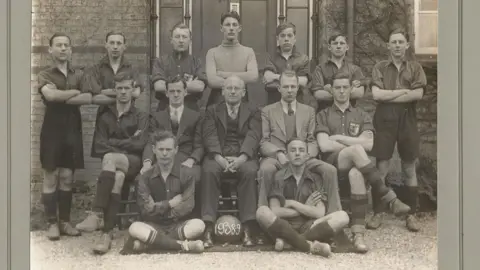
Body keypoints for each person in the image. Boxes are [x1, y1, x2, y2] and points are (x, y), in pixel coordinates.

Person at [316, 72, 411, 252]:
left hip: (356, 166)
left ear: (352, 90)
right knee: (356, 149)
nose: (342, 91)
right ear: (331, 91)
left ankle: (358, 235)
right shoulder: (323, 114)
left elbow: (369, 144)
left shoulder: (361, 114)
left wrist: (339, 137)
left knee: (357, 173)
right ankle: (389, 197)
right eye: (338, 88)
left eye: (345, 87)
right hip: (332, 165)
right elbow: (324, 145)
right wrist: (353, 142)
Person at [78, 71, 149, 255]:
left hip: (134, 162)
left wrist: (114, 144)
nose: (124, 92)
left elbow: (140, 144)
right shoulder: (105, 116)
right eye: (120, 88)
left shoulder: (140, 116)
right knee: (117, 177)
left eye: (127, 88)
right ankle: (107, 234)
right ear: (114, 91)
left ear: (133, 90)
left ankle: (96, 213)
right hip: (115, 165)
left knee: (110, 158)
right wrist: (126, 142)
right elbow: (98, 146)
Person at [367, 28, 427, 232]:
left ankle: (411, 215)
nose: (397, 45)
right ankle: (378, 213)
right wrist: (402, 91)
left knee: (409, 168)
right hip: (384, 119)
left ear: (407, 45)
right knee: (381, 167)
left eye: (401, 42)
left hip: (407, 119)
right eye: (394, 42)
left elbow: (417, 94)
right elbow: (377, 95)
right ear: (388, 45)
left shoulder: (415, 67)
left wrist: (390, 94)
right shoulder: (380, 67)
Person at [258, 71, 342, 216]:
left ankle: (333, 215)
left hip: (303, 156)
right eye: (285, 87)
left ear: (298, 88)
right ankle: (265, 216)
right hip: (278, 158)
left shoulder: (308, 111)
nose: (289, 90)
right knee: (266, 170)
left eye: (292, 86)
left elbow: (311, 140)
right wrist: (278, 153)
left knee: (330, 170)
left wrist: (307, 154)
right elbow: (264, 142)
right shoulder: (268, 111)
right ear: (279, 88)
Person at [36, 33, 92, 240]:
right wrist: (73, 93)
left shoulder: (78, 74)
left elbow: (88, 97)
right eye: (58, 45)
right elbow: (50, 96)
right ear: (50, 50)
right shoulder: (45, 74)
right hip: (52, 131)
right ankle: (51, 223)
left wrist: (62, 95)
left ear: (71, 50)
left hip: (72, 130)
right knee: (51, 176)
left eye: (66, 45)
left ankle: (65, 222)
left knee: (67, 177)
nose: (62, 48)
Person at [256, 138, 350, 258]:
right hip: (284, 225)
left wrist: (294, 203)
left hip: (310, 226)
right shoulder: (279, 177)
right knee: (262, 212)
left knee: (342, 216)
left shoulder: (315, 178)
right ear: (287, 155)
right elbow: (275, 211)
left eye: (301, 150)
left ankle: (289, 242)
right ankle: (309, 246)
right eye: (293, 150)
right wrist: (306, 207)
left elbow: (319, 213)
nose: (297, 153)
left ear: (307, 155)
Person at [120, 130, 205, 255]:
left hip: (178, 225)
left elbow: (187, 206)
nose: (164, 153)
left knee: (199, 225)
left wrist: (159, 209)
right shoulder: (145, 176)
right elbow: (146, 209)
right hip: (153, 225)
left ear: (176, 150)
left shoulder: (187, 174)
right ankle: (183, 246)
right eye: (161, 149)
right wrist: (170, 203)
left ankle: (151, 244)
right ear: (154, 149)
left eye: (168, 149)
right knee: (135, 228)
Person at [201, 75, 261, 248]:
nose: (233, 91)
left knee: (250, 172)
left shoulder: (254, 110)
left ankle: (248, 227)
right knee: (209, 170)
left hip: (243, 157)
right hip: (217, 156)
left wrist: (242, 158)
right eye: (229, 88)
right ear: (222, 91)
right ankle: (208, 227)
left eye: (237, 88)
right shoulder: (212, 110)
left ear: (243, 92)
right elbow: (209, 135)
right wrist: (219, 158)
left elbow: (254, 135)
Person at [141, 76, 205, 217]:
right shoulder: (157, 117)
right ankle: (156, 215)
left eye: (179, 91)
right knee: (148, 175)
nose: (175, 95)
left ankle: (194, 216)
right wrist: (147, 162)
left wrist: (192, 160)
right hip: (163, 157)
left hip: (186, 158)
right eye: (172, 91)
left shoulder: (196, 116)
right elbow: (151, 142)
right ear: (166, 93)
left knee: (197, 176)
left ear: (185, 92)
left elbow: (199, 145)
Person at [82, 31, 143, 175]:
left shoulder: (131, 68)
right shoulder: (97, 68)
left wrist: (105, 91)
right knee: (107, 160)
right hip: (105, 118)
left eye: (119, 43)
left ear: (124, 46)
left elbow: (136, 93)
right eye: (112, 43)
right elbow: (94, 97)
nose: (115, 46)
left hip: (128, 118)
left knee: (125, 160)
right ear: (106, 45)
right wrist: (122, 94)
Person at [205, 11, 259, 106]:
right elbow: (212, 81)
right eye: (227, 25)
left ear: (239, 28)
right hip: (217, 104)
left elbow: (253, 76)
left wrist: (223, 74)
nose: (231, 28)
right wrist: (240, 80)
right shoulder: (212, 52)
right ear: (221, 28)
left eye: (234, 25)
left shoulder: (248, 52)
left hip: (242, 104)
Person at [151, 23, 207, 112]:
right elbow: (158, 86)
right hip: (165, 110)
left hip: (190, 111)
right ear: (171, 40)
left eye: (184, 37)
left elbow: (199, 86)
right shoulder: (160, 61)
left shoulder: (196, 62)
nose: (181, 40)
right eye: (177, 37)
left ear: (190, 41)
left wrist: (170, 86)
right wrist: (188, 85)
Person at [262, 22, 314, 107]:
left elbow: (304, 81)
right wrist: (295, 81)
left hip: (299, 104)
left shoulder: (303, 59)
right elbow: (268, 78)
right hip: (274, 104)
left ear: (294, 38)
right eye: (282, 36)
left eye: (289, 36)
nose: (286, 39)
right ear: (277, 38)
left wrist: (276, 77)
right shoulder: (270, 57)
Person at [311, 33, 366, 112]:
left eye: (342, 43)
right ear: (329, 47)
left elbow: (359, 93)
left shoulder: (354, 69)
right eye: (335, 43)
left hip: (349, 113)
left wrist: (329, 90)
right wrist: (350, 89)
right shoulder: (320, 69)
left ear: (347, 47)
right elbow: (318, 94)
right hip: (325, 114)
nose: (338, 46)